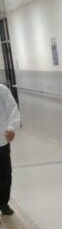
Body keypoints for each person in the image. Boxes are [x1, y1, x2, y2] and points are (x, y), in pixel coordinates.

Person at [0, 83, 20, 216]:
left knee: (5, 174)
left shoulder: (2, 90)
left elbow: (12, 109)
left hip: (1, 140)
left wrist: (12, 128)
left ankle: (3, 203)